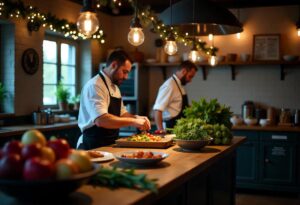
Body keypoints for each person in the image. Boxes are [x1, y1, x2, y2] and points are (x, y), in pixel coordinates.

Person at [77, 50, 151, 150]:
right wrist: (133, 122)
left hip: (110, 145)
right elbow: (101, 120)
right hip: (92, 146)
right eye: (124, 72)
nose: (126, 77)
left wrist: (137, 117)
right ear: (114, 65)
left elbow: (122, 113)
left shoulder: (115, 87)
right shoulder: (95, 85)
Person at [153, 60, 198, 131]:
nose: (190, 80)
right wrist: (160, 130)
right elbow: (158, 110)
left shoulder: (179, 85)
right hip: (169, 127)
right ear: (183, 71)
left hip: (178, 127)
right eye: (190, 76)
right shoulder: (169, 85)